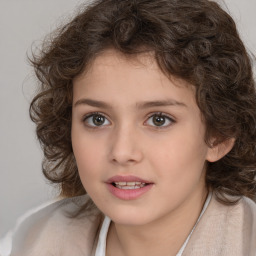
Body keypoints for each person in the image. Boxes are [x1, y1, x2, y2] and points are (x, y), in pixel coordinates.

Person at [9, 0, 256, 255]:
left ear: (219, 135)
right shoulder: (31, 240)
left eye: (159, 119)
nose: (122, 151)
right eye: (97, 119)